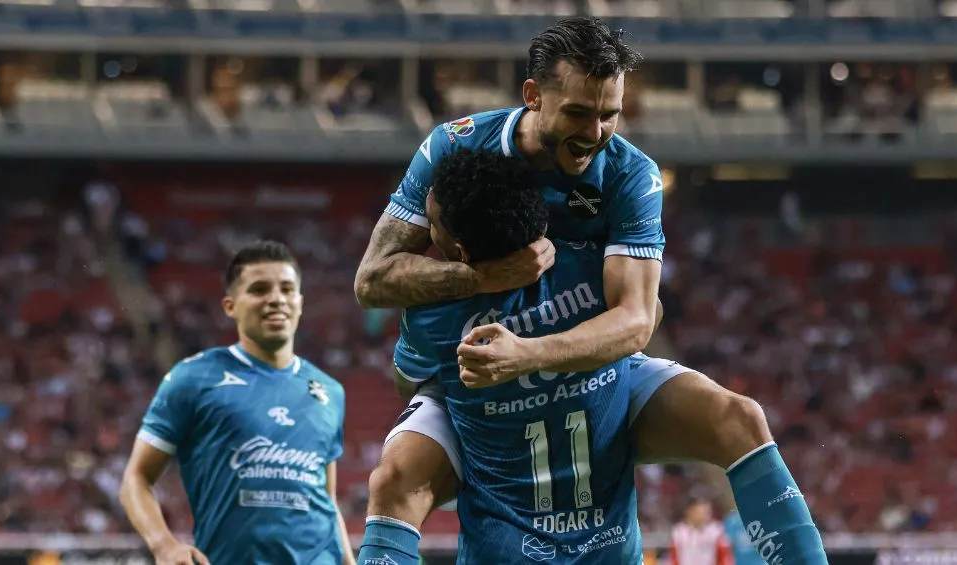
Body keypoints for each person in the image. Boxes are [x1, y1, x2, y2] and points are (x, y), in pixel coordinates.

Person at [353, 16, 827, 565]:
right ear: (532, 95)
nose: (595, 132)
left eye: (610, 114)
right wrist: (483, 279)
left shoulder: (629, 175)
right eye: (578, 112)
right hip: (473, 375)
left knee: (738, 418)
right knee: (393, 479)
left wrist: (527, 354)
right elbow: (372, 280)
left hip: (589, 361)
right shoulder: (453, 148)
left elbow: (636, 321)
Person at [367, 148, 653, 563]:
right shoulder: (587, 266)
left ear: (461, 251)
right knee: (736, 417)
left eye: (432, 225)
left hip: (504, 526)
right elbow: (650, 313)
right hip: (601, 500)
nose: (427, 234)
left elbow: (406, 380)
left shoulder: (431, 314)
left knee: (394, 480)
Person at [120, 241, 356, 565]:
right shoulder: (194, 378)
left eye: (287, 289)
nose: (276, 299)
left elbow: (326, 500)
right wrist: (164, 545)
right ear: (230, 305)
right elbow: (136, 478)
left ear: (300, 302)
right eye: (259, 289)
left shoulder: (330, 391)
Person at [669, 499, 734, 565]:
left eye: (706, 512)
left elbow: (724, 556)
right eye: (700, 512)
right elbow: (674, 557)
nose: (704, 515)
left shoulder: (716, 531)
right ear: (690, 511)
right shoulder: (679, 532)